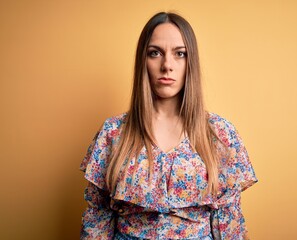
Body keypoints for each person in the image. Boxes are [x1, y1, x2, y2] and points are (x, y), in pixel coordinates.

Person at [80, 12, 258, 240]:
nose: (167, 66)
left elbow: (229, 223)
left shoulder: (219, 133)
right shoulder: (113, 132)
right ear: (143, 61)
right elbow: (97, 219)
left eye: (180, 54)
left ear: (190, 61)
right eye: (155, 53)